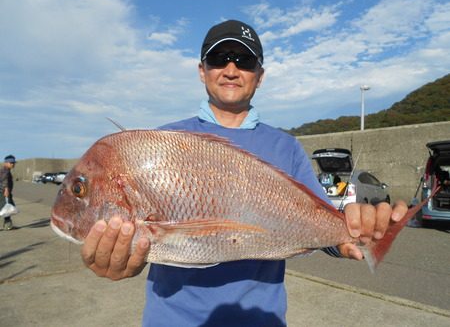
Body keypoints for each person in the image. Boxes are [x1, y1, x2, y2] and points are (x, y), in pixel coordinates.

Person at [80, 20, 408, 326]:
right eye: (219, 58)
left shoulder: (286, 146)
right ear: (202, 70)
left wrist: (351, 234)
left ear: (260, 75)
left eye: (245, 60)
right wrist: (118, 260)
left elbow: (320, 224)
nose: (231, 69)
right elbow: (145, 239)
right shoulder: (161, 142)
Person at [0, 155, 16, 230]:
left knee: (7, 208)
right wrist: (6, 190)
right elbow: (4, 181)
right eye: (11, 162)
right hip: (3, 193)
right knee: (6, 208)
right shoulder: (5, 170)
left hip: (3, 192)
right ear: (6, 163)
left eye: (13, 163)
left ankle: (8, 225)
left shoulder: (6, 170)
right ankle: (8, 224)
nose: (13, 164)